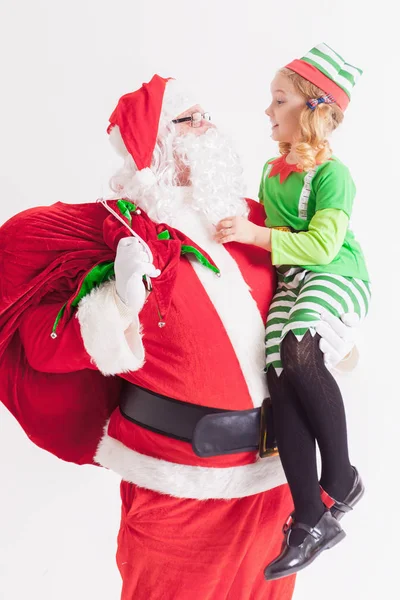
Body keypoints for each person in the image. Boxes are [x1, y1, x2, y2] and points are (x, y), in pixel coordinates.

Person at [0, 74, 360, 599]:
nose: (209, 127)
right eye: (189, 120)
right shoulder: (122, 239)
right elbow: (44, 345)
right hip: (180, 494)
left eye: (206, 115)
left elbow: (312, 280)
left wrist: (336, 335)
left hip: (278, 484)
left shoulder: (253, 221)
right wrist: (119, 300)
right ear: (154, 148)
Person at [215, 43, 371, 580]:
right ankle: (309, 516)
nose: (267, 111)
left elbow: (325, 245)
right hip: (291, 279)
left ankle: (344, 476)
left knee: (298, 348)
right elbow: (266, 237)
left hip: (335, 276)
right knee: (278, 374)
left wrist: (258, 234)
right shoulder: (271, 170)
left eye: (278, 100)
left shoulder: (334, 175)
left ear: (312, 110)